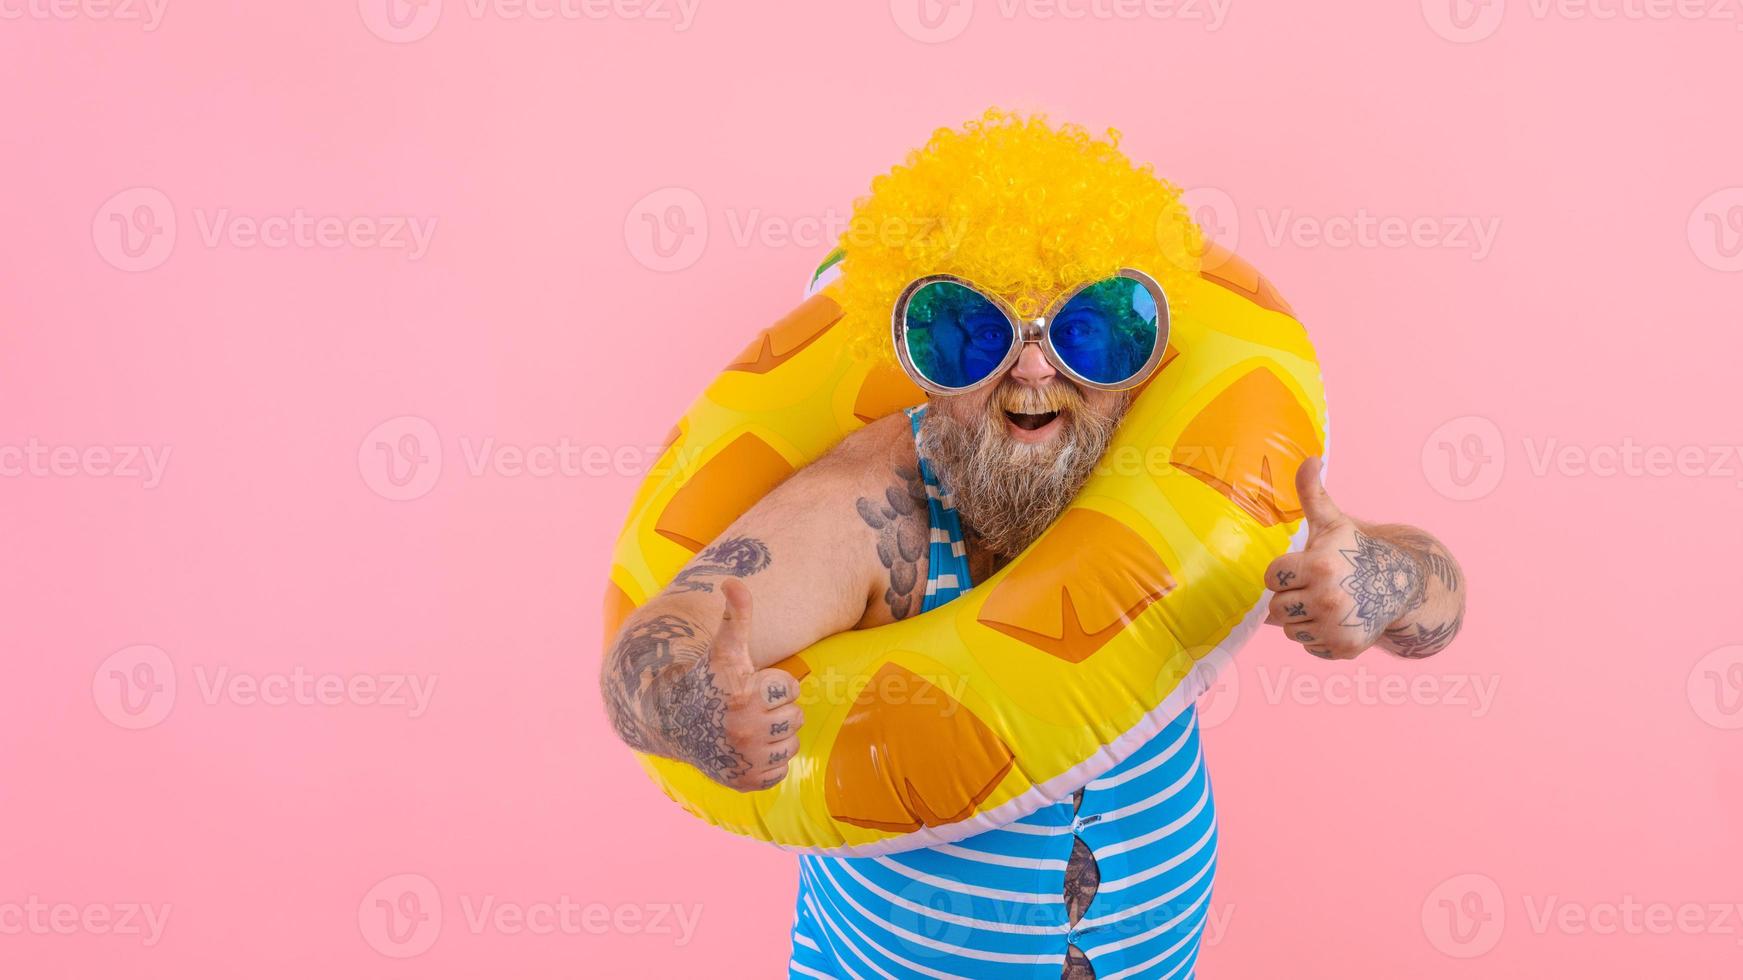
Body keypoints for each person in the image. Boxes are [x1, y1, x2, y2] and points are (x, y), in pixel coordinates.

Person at [601, 111, 1466, 980]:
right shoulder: (870, 511)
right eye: (969, 332)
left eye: (1089, 329)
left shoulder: (1179, 471)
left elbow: (1441, 603)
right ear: (909, 354)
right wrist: (696, 714)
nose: (1033, 369)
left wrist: (1382, 583)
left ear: (1144, 350)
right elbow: (659, 638)